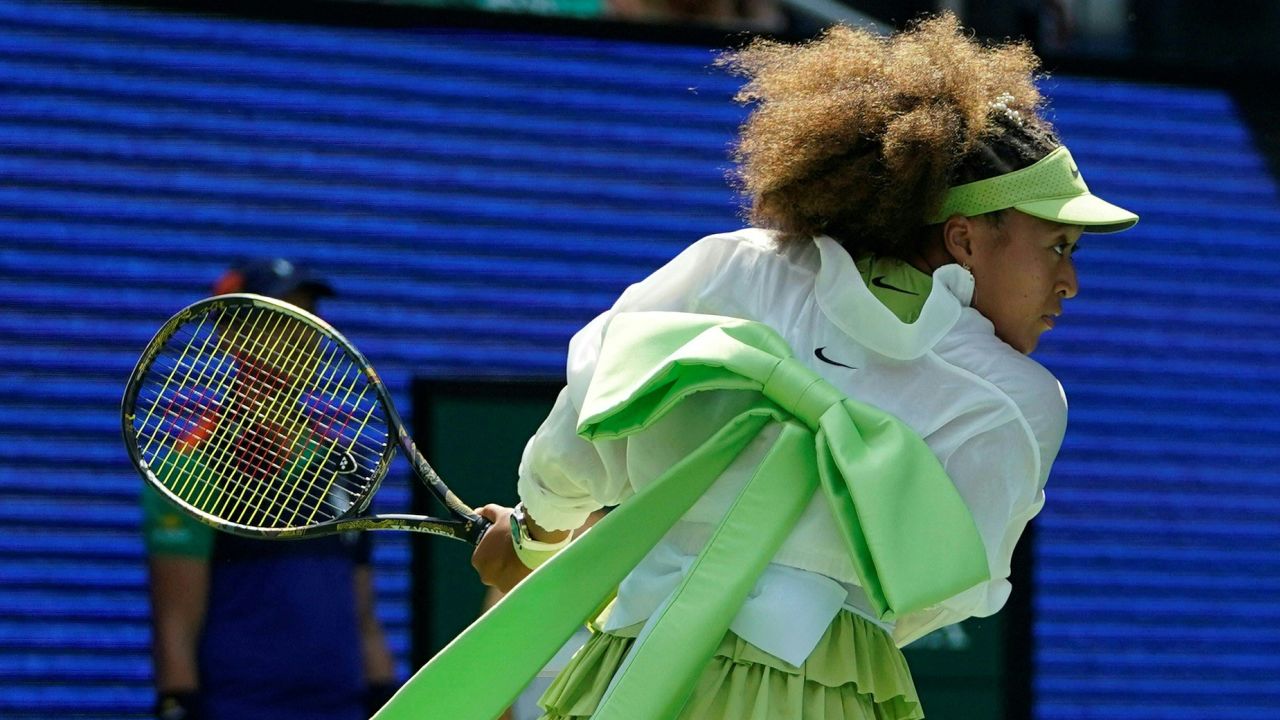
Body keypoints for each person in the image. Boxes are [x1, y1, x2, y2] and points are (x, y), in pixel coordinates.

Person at [408, 13, 1137, 720]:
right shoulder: (1020, 401)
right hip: (828, 686)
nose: (1070, 283)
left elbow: (582, 435)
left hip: (631, 662)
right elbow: (943, 596)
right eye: (1059, 248)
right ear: (965, 238)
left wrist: (537, 536)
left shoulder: (727, 267)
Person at [141, 258, 398, 720]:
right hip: (239, 709)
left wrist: (386, 695)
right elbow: (174, 627)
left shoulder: (346, 464)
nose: (304, 336)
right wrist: (177, 705)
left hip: (340, 708)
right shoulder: (186, 463)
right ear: (231, 336)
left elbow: (363, 617)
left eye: (310, 318)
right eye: (281, 321)